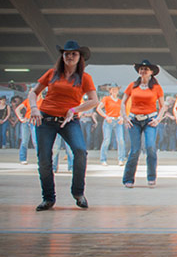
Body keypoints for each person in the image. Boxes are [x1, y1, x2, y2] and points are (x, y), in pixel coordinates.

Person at [28, 40, 98, 211]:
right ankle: (48, 198)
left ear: (79, 57)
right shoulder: (52, 73)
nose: (70, 57)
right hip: (46, 119)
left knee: (80, 151)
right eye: (67, 54)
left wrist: (75, 109)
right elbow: (33, 92)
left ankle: (78, 193)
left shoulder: (84, 78)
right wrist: (35, 108)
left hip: (69, 121)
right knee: (44, 159)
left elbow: (94, 101)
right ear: (62, 56)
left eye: (74, 54)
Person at [121, 59, 166, 188]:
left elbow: (163, 106)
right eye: (141, 69)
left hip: (149, 120)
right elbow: (123, 102)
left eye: (146, 69)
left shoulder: (156, 88)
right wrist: (125, 117)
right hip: (133, 120)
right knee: (135, 150)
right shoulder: (132, 86)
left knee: (150, 147)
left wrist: (158, 119)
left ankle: (151, 177)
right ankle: (128, 179)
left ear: (151, 72)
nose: (143, 71)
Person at [97, 83, 126, 166]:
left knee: (120, 140)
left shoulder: (120, 101)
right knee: (106, 140)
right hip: (109, 121)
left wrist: (121, 117)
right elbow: (99, 108)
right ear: (110, 91)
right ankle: (103, 159)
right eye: (112, 90)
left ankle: (121, 159)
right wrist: (106, 116)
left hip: (117, 121)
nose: (114, 91)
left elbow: (121, 111)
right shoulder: (106, 99)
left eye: (116, 90)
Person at [16, 92, 43, 165]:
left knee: (36, 141)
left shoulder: (42, 101)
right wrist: (20, 118)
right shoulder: (29, 100)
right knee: (24, 141)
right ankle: (23, 158)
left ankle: (40, 159)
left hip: (35, 122)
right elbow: (18, 109)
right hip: (27, 121)